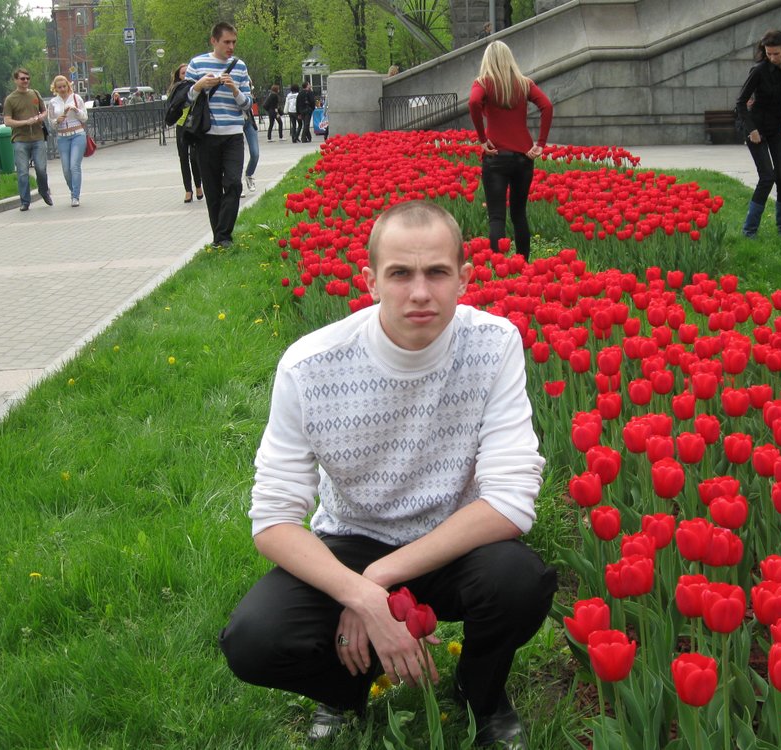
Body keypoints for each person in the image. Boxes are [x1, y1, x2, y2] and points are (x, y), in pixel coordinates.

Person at [219, 200, 556, 749]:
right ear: (371, 280)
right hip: (351, 536)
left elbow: (513, 500)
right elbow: (273, 519)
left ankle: (481, 695)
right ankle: (346, 687)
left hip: (454, 542)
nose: (419, 292)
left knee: (518, 582)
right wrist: (359, 591)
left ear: (463, 279)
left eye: (437, 273)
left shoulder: (494, 345)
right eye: (400, 273)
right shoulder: (310, 366)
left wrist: (378, 583)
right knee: (254, 640)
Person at [468, 40, 553, 260]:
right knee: (519, 214)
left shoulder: (483, 83)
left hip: (495, 156)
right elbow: (547, 106)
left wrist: (482, 139)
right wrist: (541, 143)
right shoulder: (525, 84)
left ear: (487, 60)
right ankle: (523, 264)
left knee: (497, 216)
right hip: (523, 157)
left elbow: (474, 103)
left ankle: (498, 265)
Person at [185, 21, 252, 248]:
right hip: (206, 135)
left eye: (234, 42)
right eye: (226, 42)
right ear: (214, 41)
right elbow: (183, 100)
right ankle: (220, 240)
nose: (231, 46)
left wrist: (234, 89)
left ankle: (223, 235)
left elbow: (247, 105)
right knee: (213, 190)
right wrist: (199, 85)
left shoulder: (239, 66)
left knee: (233, 183)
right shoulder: (197, 63)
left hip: (233, 133)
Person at [736, 29, 781, 239]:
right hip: (756, 127)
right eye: (768, 53)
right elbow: (740, 103)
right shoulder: (758, 70)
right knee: (767, 177)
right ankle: (749, 230)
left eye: (776, 53)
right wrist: (752, 130)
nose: (772, 58)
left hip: (779, 128)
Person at [2, 67, 52, 212]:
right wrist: (25, 122)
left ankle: (44, 191)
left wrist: (41, 117)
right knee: (23, 171)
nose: (25, 81)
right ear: (16, 80)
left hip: (37, 137)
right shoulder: (11, 99)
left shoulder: (35, 94)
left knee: (41, 169)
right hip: (20, 139)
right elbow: (7, 121)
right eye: (22, 78)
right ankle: (25, 201)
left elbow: (44, 111)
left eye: (27, 78)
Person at [46, 75, 88, 207]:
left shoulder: (76, 98)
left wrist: (75, 110)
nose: (62, 89)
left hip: (77, 134)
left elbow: (85, 117)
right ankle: (73, 190)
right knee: (66, 169)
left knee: (74, 165)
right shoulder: (53, 102)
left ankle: (75, 196)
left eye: (64, 86)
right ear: (55, 89)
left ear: (68, 86)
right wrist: (56, 121)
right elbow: (51, 123)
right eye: (59, 87)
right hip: (62, 136)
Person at [168, 64, 203, 203]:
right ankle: (188, 190)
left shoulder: (197, 86)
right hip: (181, 125)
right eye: (183, 73)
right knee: (183, 157)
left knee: (194, 157)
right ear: (179, 76)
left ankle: (198, 186)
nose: (185, 75)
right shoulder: (177, 90)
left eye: (188, 73)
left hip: (193, 125)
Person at [242, 81, 259, 194]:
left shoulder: (246, 79)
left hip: (248, 120)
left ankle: (249, 174)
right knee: (236, 155)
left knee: (255, 153)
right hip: (235, 121)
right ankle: (237, 184)